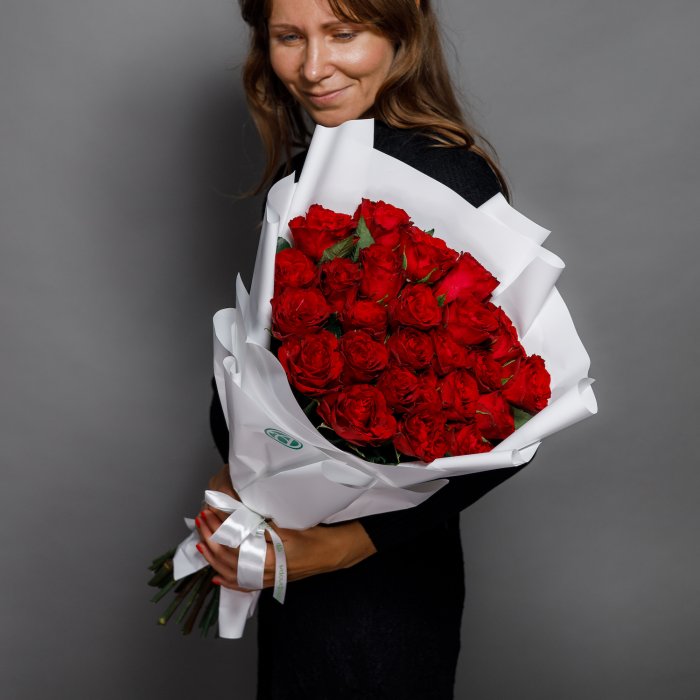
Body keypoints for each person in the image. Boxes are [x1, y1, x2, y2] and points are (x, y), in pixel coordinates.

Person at [194, 0, 526, 697]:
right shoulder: (296, 180)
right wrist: (236, 482)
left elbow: (510, 421)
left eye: (343, 34)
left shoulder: (449, 180)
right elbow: (271, 369)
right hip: (291, 558)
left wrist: (346, 547)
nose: (314, 67)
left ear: (401, 33)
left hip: (388, 581)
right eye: (289, 37)